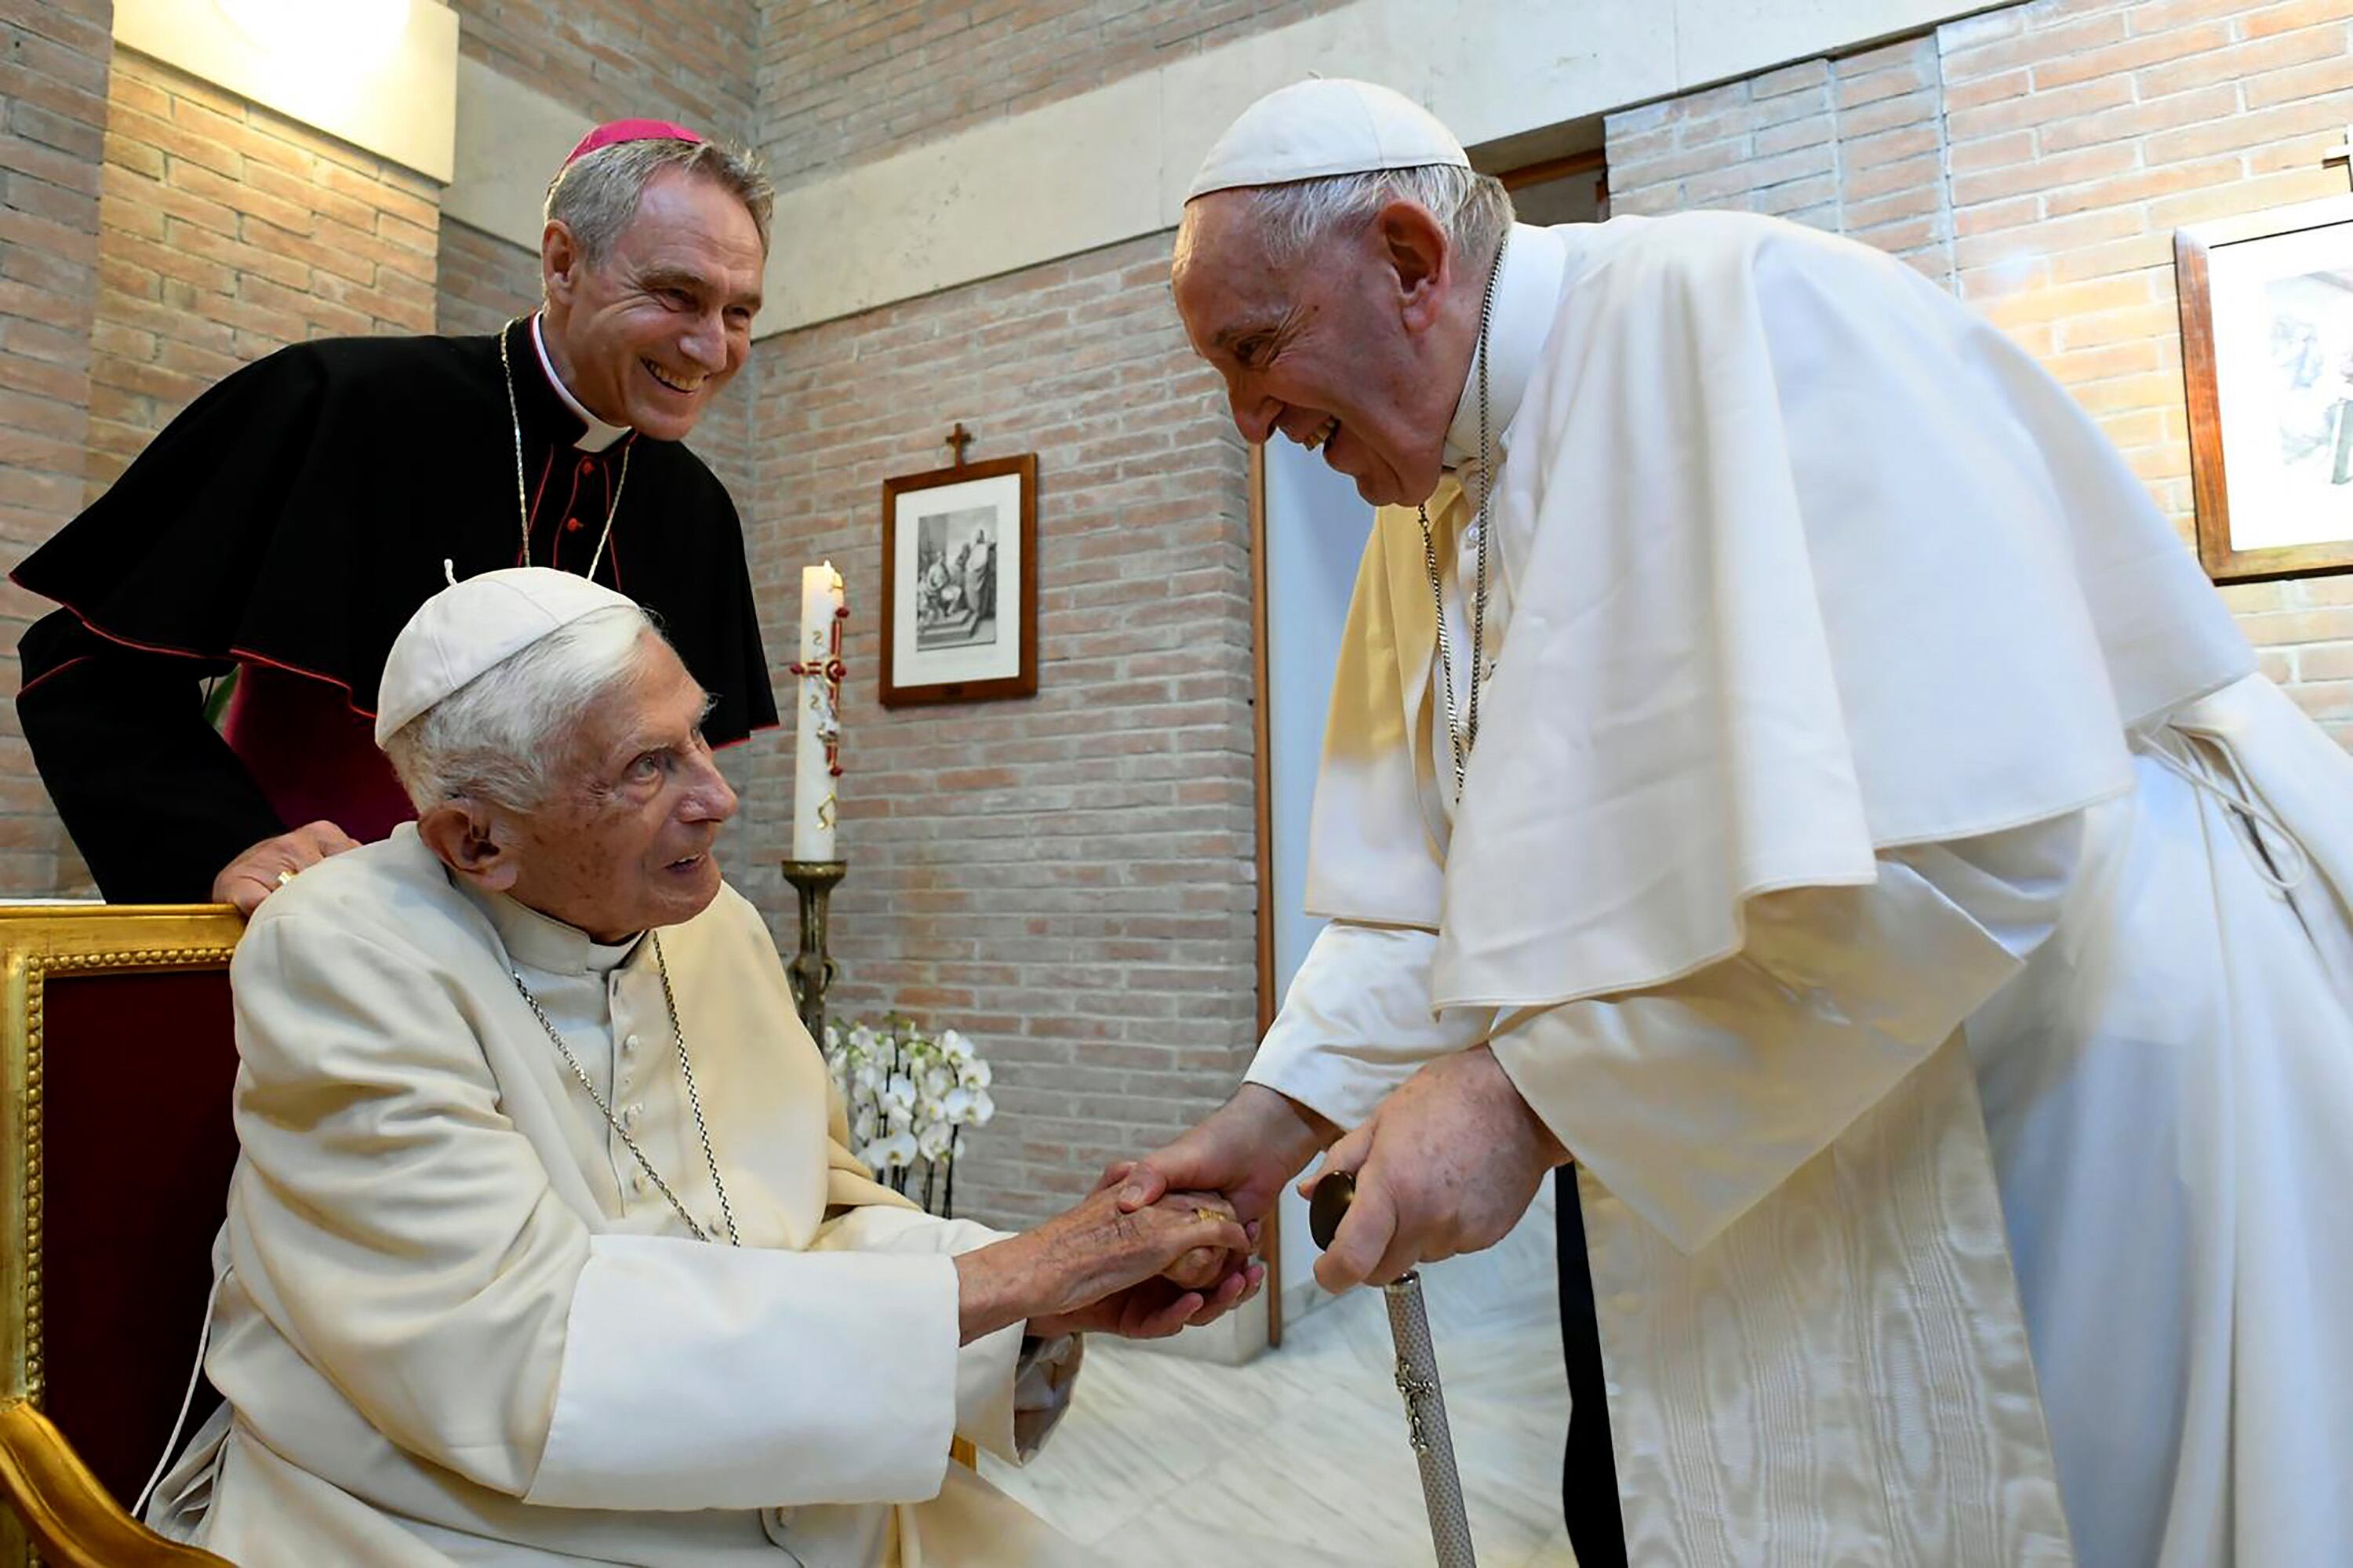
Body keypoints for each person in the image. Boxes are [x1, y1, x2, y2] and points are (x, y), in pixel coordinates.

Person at [1117, 78, 2353, 1566]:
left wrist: (1531, 1098)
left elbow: (1977, 844)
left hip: (2064, 1076)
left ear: (1408, 259)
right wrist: (1268, 1125)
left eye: (1256, 353)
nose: (1250, 423)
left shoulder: (1753, 314)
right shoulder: (1428, 495)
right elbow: (1420, 896)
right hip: (1783, 1113)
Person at [145, 567, 1261, 1566]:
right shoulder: (345, 949)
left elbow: (812, 1216)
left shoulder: (709, 922)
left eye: (697, 738)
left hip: (794, 1496)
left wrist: (1045, 1293)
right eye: (649, 765)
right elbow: (516, 1355)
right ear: (475, 839)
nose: (719, 797)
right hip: (451, 1516)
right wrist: (1005, 1284)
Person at [13, 119, 776, 915]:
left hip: (568, 988)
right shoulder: (337, 406)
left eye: (739, 314)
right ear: (562, 264)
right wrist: (225, 842)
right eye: (677, 295)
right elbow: (84, 666)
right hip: (325, 946)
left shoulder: (698, 513)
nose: (709, 348)